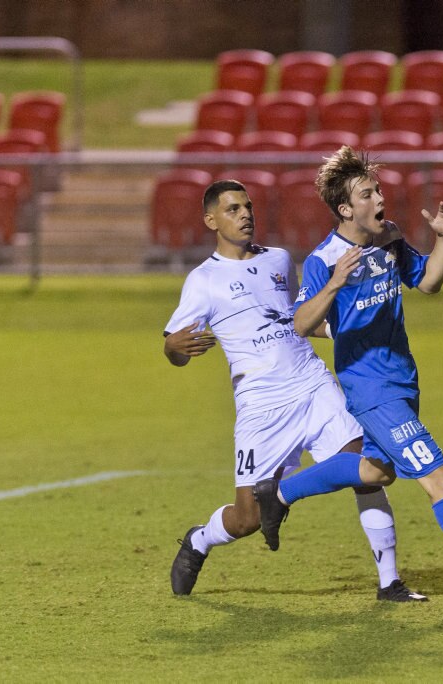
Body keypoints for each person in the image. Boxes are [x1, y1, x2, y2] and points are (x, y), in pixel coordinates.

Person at [279, 146, 443, 601]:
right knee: (438, 479)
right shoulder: (325, 260)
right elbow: (302, 324)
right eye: (368, 193)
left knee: (376, 470)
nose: (380, 198)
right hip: (370, 390)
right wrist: (337, 283)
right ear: (345, 208)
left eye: (378, 189)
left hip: (402, 380)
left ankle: (281, 494)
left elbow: (427, 283)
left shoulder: (389, 239)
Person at [164, 179, 426, 602]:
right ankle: (201, 540)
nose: (245, 214)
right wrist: (173, 348)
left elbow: (297, 319)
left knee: (366, 468)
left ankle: (389, 581)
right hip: (261, 406)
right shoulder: (203, 281)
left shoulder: (281, 260)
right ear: (211, 220)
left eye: (247, 206)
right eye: (232, 209)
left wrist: (350, 330)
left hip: (312, 383)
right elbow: (176, 347)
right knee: (247, 519)